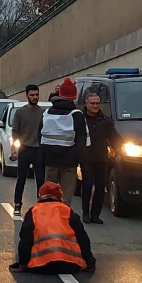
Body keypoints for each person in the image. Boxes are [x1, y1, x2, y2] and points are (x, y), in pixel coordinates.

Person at [10, 182, 96, 274]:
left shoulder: (34, 211)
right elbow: (82, 237)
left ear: (40, 195)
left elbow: (26, 239)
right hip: (69, 265)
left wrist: (22, 265)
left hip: (41, 266)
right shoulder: (67, 210)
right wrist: (90, 262)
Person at [40, 78, 86, 207]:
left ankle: (48, 224)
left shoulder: (46, 113)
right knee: (65, 201)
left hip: (50, 162)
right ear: (74, 96)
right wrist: (84, 168)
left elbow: (40, 139)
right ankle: (63, 224)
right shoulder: (77, 115)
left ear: (59, 95)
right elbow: (81, 143)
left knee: (48, 198)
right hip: (69, 164)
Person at [78, 91, 113, 224]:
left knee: (100, 187)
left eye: (97, 103)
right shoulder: (81, 119)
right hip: (86, 158)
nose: (95, 106)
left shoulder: (105, 120)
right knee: (87, 185)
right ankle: (85, 213)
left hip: (101, 158)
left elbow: (113, 137)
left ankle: (95, 215)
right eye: (92, 103)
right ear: (86, 104)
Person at [11, 84, 46, 216]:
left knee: (40, 179)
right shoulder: (20, 112)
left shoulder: (43, 112)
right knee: (21, 178)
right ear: (27, 96)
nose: (35, 97)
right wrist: (14, 147)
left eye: (36, 95)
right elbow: (15, 131)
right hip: (25, 148)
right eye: (32, 95)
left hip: (38, 149)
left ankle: (41, 204)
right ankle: (18, 204)